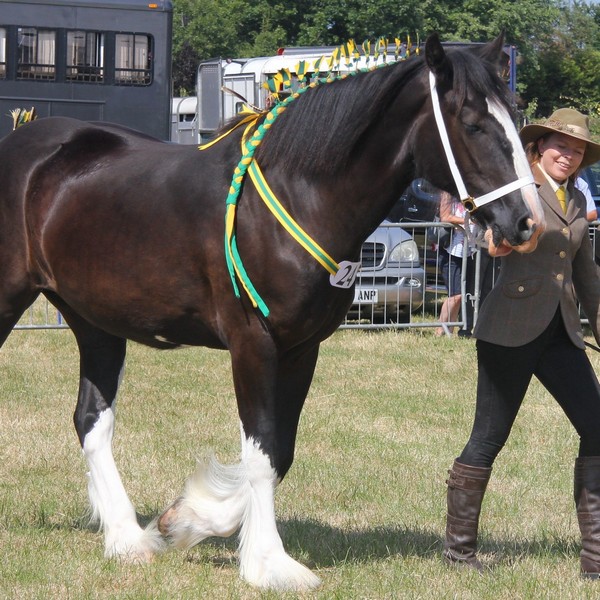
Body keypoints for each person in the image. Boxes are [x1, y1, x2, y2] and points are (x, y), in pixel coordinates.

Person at [442, 108, 600, 577]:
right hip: (508, 330)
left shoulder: (575, 199)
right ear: (538, 147)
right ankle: (459, 552)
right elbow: (488, 237)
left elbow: (586, 274)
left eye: (577, 151)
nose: (568, 156)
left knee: (597, 428)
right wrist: (496, 238)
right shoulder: (514, 187)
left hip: (561, 331)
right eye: (560, 146)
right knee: (489, 438)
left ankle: (594, 560)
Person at [435, 192, 477, 337]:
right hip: (451, 250)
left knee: (459, 295)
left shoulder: (473, 192)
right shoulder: (447, 193)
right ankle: (440, 329)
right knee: (456, 295)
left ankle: (449, 330)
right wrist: (469, 221)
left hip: (469, 250)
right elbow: (445, 216)